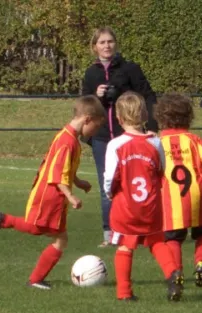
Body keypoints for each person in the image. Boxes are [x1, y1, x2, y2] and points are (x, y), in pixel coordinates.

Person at [0, 96, 105, 289]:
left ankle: (2, 221)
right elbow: (57, 174)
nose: (95, 132)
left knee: (51, 234)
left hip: (54, 194)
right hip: (50, 195)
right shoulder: (67, 142)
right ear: (87, 119)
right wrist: (71, 196)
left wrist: (78, 182)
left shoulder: (69, 138)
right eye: (96, 127)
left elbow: (64, 168)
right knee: (51, 234)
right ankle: (35, 279)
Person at [82, 27, 158, 247]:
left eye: (110, 41)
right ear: (95, 47)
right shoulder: (91, 73)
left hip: (129, 136)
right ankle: (110, 234)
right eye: (102, 42)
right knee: (106, 185)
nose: (107, 46)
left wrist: (152, 126)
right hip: (102, 138)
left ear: (115, 44)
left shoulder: (130, 68)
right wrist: (96, 97)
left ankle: (142, 230)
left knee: (136, 183)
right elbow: (84, 105)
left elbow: (148, 96)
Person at [103, 92, 183, 302]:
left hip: (125, 206)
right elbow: (162, 169)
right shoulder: (156, 142)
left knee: (124, 246)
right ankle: (172, 272)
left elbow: (110, 177)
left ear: (119, 118)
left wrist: (109, 194)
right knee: (156, 241)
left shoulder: (115, 145)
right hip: (151, 206)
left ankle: (124, 293)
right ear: (146, 115)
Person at [155, 93, 202, 287]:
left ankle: (177, 272)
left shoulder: (157, 143)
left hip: (171, 200)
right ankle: (200, 264)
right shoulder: (193, 140)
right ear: (188, 117)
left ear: (160, 118)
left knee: (172, 238)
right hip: (198, 195)